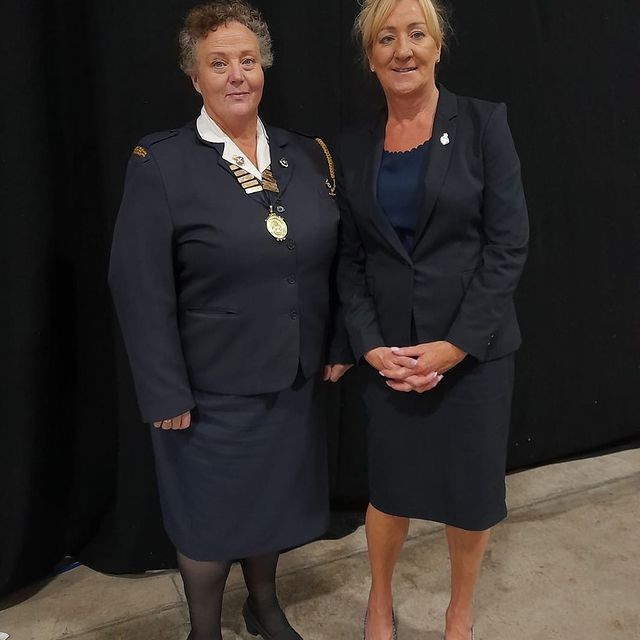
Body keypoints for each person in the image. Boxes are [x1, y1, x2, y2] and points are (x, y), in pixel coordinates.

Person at [108, 2, 352, 639]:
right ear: (195, 76)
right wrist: (163, 390)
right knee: (210, 520)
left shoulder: (306, 155)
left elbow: (334, 257)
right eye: (219, 63)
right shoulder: (160, 163)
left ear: (264, 66)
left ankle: (265, 605)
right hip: (208, 388)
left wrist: (338, 339)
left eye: (247, 60)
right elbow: (138, 285)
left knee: (270, 508)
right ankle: (205, 627)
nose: (236, 74)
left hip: (291, 379)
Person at [334, 0, 529, 639]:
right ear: (371, 58)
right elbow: (350, 260)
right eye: (386, 39)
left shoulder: (483, 124)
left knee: (470, 500)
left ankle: (459, 610)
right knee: (389, 494)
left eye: (416, 34)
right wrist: (368, 346)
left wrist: (456, 346)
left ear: (438, 46)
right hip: (391, 358)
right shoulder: (353, 147)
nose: (402, 50)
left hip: (473, 355)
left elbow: (507, 246)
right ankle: (380, 601)